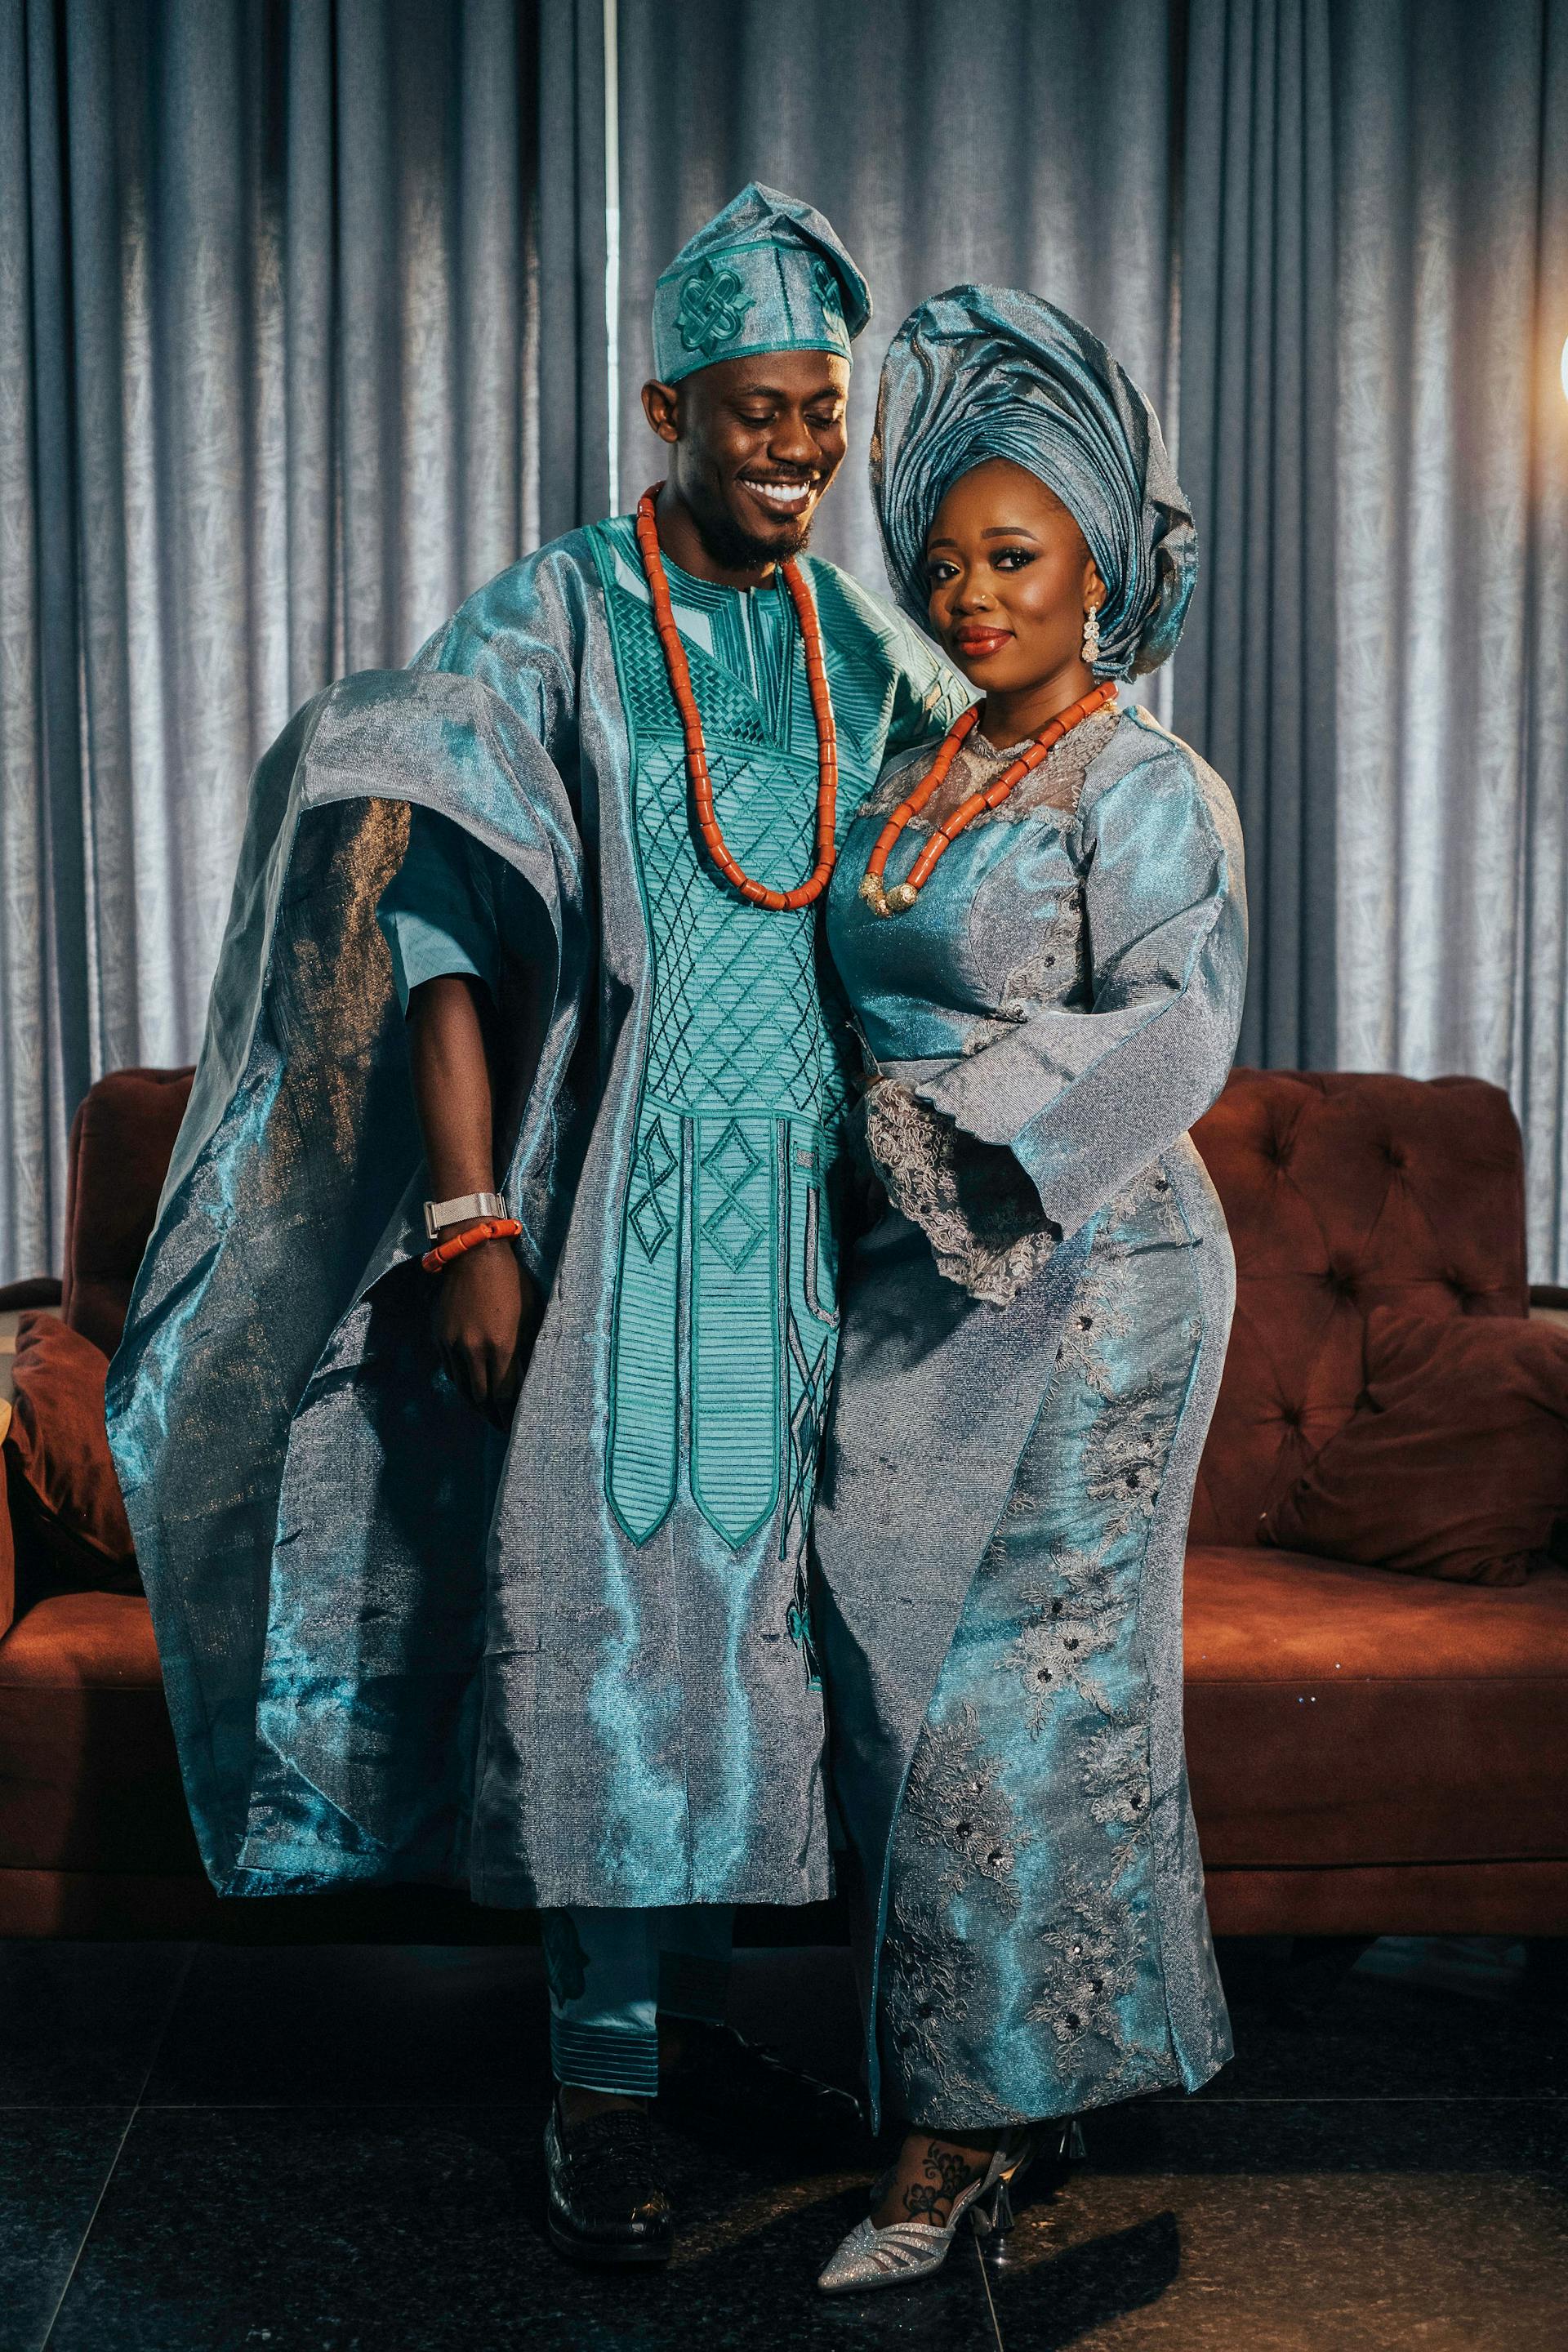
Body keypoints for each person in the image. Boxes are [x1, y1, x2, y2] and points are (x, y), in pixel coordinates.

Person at [106, 187, 967, 2270]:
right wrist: (469, 1215)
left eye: (825, 413)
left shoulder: (862, 639)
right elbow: (433, 921)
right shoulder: (554, 615)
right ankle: (598, 2090)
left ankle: (682, 2034)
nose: (797, 450)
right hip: (611, 1209)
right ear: (666, 407)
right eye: (757, 411)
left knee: (761, 1642)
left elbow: (972, 843)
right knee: (616, 1630)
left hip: (809, 1230)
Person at [810, 285, 1246, 2293]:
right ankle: (1016, 2077)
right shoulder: (921, 765)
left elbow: (1181, 1027)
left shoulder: (1143, 783)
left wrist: (969, 1135)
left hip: (1094, 1277)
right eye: (946, 564)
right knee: (901, 1669)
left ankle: (956, 2134)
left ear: (1099, 574)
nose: (970, 596)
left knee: (1010, 1692)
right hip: (921, 1271)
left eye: (1015, 559)